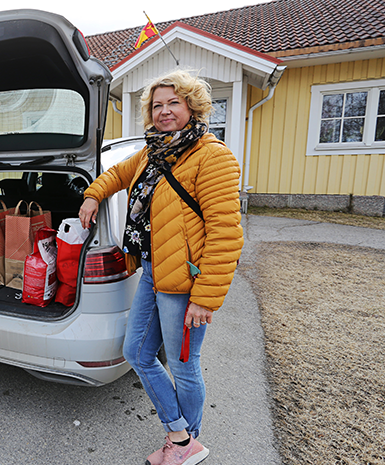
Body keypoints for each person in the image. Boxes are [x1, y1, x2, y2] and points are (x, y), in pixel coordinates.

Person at [78, 70, 243, 465]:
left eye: (173, 102)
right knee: (136, 352)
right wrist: (92, 195)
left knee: (185, 366)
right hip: (154, 270)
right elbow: (118, 173)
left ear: (192, 106)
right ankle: (181, 434)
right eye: (157, 105)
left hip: (186, 281)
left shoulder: (211, 155)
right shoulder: (155, 151)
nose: (164, 111)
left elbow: (226, 233)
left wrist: (204, 299)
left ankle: (185, 444)